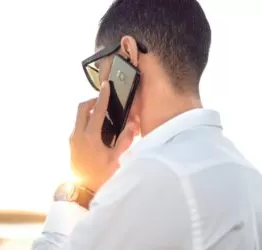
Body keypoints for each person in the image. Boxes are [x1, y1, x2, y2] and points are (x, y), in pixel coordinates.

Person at [32, 0, 262, 249]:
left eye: (100, 70)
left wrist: (80, 191)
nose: (100, 88)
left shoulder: (154, 176)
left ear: (128, 54)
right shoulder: (248, 176)